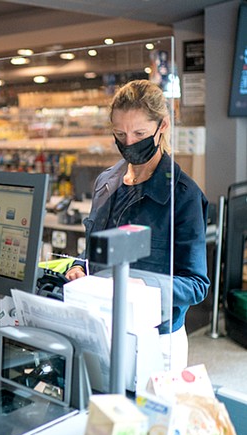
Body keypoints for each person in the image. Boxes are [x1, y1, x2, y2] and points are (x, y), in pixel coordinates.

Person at [65, 79, 210, 371]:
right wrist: (81, 267)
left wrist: (143, 285)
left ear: (163, 127)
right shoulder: (106, 182)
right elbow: (98, 251)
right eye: (120, 133)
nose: (129, 142)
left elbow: (197, 285)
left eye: (140, 133)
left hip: (156, 338)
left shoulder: (183, 195)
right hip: (101, 327)